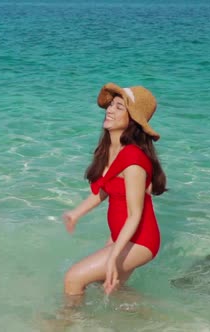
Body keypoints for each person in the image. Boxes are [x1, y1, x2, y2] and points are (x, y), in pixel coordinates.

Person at [62, 83, 167, 298]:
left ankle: (66, 324)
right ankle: (148, 316)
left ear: (133, 121)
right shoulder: (110, 150)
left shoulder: (133, 159)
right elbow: (104, 188)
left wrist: (113, 256)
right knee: (110, 289)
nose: (110, 110)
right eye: (111, 105)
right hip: (121, 234)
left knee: (73, 278)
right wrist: (76, 214)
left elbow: (135, 214)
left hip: (141, 239)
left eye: (120, 107)